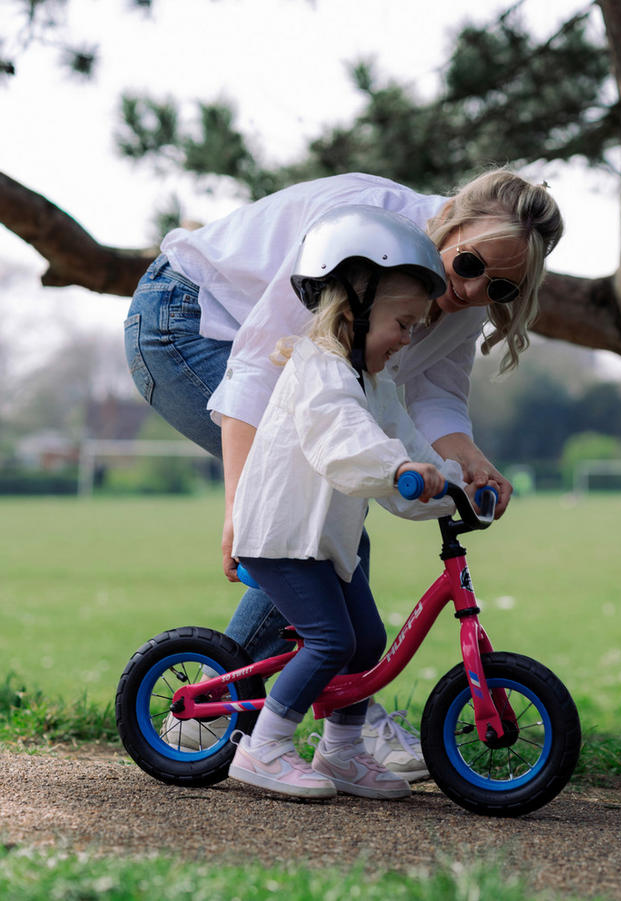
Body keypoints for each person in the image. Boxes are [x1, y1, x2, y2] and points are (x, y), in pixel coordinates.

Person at [124, 168, 563, 778]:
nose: (472, 291)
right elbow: (257, 368)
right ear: (452, 221)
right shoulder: (360, 232)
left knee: (333, 529)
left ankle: (342, 720)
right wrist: (242, 508)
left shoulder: (464, 289)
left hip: (292, 366)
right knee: (306, 529)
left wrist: (468, 463)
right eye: (469, 266)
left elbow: (434, 393)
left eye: (502, 288)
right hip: (188, 316)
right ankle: (219, 725)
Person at [227, 206, 463, 799]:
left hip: (326, 543)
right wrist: (397, 470)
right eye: (402, 324)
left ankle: (342, 750)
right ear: (355, 309)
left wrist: (457, 485)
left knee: (366, 641)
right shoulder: (321, 372)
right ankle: (263, 747)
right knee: (330, 641)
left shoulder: (372, 384)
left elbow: (406, 444)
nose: (407, 339)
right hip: (284, 538)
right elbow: (344, 439)